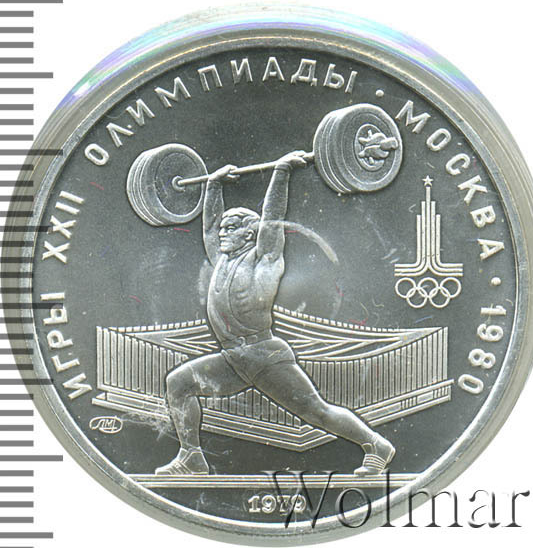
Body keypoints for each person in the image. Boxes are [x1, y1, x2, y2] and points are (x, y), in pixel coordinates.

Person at [155, 150, 394, 476]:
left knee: (317, 413)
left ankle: (376, 445)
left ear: (250, 233)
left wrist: (281, 171)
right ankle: (192, 457)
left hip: (264, 356)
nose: (222, 233)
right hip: (233, 358)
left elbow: (271, 217)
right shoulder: (221, 259)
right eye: (224, 228)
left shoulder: (264, 260)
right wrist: (213, 185)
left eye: (231, 227)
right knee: (179, 383)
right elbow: (210, 226)